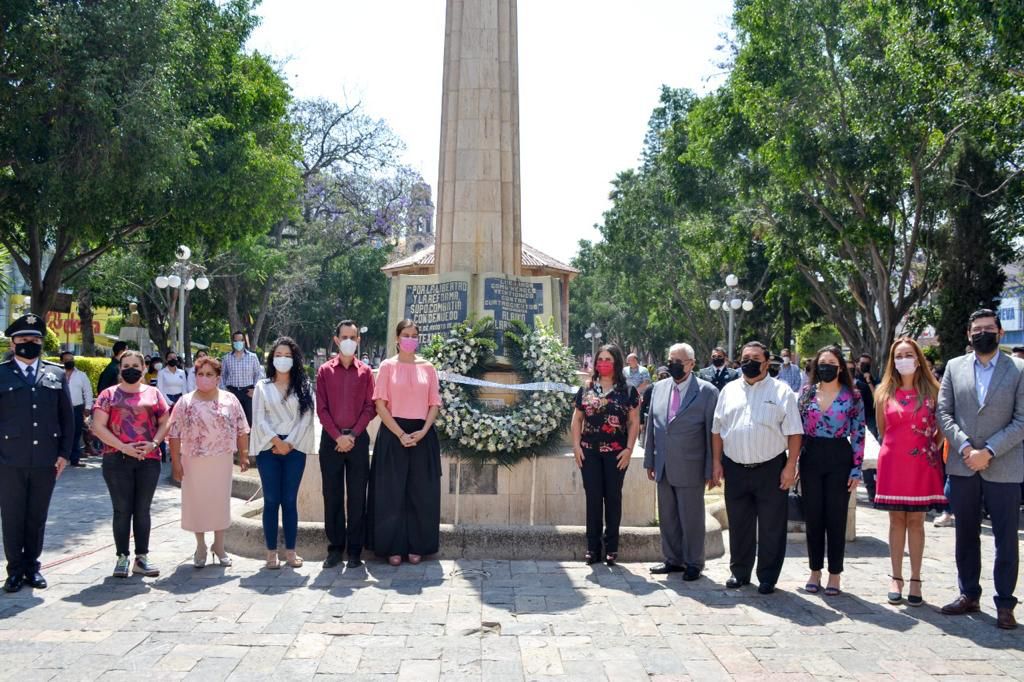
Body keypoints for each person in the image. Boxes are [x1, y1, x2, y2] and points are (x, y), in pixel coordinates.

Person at [937, 308, 1024, 630]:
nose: (982, 333)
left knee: (1006, 538)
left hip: (1004, 466)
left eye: (988, 328)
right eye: (977, 329)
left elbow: (1022, 419)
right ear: (968, 335)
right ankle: (968, 593)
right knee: (966, 535)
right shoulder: (954, 367)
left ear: (1000, 333)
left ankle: (1005, 602)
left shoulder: (1018, 369)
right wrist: (965, 448)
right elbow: (944, 413)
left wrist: (989, 451)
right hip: (963, 465)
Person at [711, 341, 802, 594]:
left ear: (766, 362)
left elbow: (795, 432)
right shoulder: (728, 390)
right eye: (744, 357)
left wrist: (791, 465)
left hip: (771, 468)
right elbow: (717, 430)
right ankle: (739, 573)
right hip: (736, 468)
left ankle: (768, 577)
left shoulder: (782, 391)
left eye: (754, 358)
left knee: (772, 526)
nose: (748, 362)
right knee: (739, 525)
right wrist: (717, 462)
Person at [0, 314, 72, 593]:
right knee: (13, 515)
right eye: (23, 339)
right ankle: (15, 570)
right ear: (13, 342)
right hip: (9, 460)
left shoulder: (55, 374)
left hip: (46, 460)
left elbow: (67, 418)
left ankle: (32, 566)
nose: (29, 343)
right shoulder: (1, 374)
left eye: (35, 339)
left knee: (37, 516)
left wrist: (65, 453)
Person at [872, 338, 945, 606]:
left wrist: (930, 448)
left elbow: (941, 429)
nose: (904, 359)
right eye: (899, 355)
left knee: (916, 521)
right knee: (895, 521)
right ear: (893, 360)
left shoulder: (933, 391)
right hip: (893, 462)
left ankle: (915, 578)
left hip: (922, 464)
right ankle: (896, 577)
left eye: (909, 354)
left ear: (918, 358)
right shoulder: (883, 392)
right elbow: (883, 429)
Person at [368, 320, 442, 566]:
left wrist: (423, 431)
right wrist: (400, 434)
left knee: (420, 492)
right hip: (393, 433)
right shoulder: (388, 366)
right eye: (406, 335)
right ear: (397, 338)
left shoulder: (428, 368)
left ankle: (418, 545)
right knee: (391, 493)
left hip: (423, 434)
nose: (410, 339)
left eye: (414, 335)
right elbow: (380, 405)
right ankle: (393, 547)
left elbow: (434, 403)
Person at [91, 350, 170, 578]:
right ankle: (122, 557)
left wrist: (154, 444)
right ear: (120, 369)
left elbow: (166, 422)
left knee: (142, 510)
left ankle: (142, 557)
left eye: (136, 365)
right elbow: (98, 427)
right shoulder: (108, 395)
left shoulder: (154, 394)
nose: (131, 369)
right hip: (116, 459)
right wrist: (123, 447)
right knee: (122, 510)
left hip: (148, 459)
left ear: (144, 368)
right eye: (126, 366)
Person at [644, 343, 717, 580]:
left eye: (679, 361)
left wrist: (711, 468)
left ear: (692, 364)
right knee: (668, 516)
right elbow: (653, 429)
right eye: (670, 359)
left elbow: (711, 434)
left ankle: (694, 562)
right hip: (663, 464)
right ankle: (672, 559)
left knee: (691, 517)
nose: (673, 364)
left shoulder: (707, 392)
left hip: (691, 466)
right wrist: (649, 460)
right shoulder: (659, 388)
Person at [168, 356, 250, 568]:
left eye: (209, 374)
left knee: (219, 502)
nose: (204, 378)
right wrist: (176, 462)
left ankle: (219, 545)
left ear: (218, 378)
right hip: (193, 460)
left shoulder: (230, 400)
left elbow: (242, 428)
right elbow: (174, 434)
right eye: (200, 374)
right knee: (197, 503)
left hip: (221, 459)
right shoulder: (185, 402)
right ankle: (201, 545)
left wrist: (244, 454)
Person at [797, 346, 865, 597]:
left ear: (840, 367)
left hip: (839, 456)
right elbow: (797, 429)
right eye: (822, 362)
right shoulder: (806, 392)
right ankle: (815, 571)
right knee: (813, 517)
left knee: (836, 518)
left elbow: (858, 432)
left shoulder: (853, 396)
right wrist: (793, 463)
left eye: (832, 363)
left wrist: (856, 469)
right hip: (811, 456)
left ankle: (835, 574)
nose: (826, 367)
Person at [572, 343, 640, 566]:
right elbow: (577, 419)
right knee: (593, 499)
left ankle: (611, 548)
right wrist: (576, 446)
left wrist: (629, 450)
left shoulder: (628, 391)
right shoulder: (587, 387)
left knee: (613, 498)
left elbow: (633, 423)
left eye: (608, 359)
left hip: (616, 454)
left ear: (617, 362)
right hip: (589, 453)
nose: (603, 363)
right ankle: (592, 548)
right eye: (599, 359)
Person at [250, 337, 315, 569]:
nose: (283, 359)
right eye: (278, 355)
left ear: (295, 359)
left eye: (288, 355)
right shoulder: (262, 387)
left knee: (289, 500)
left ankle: (290, 552)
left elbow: (306, 418)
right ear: (271, 358)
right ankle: (270, 553)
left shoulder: (304, 386)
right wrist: (276, 441)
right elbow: (258, 419)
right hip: (268, 449)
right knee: (270, 500)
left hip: (295, 450)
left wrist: (289, 443)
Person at [316, 321, 376, 569]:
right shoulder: (324, 371)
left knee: (356, 497)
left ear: (358, 340)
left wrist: (352, 435)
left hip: (358, 441)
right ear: (337, 340)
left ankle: (354, 550)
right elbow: (321, 408)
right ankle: (335, 548)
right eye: (345, 336)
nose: (349, 340)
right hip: (330, 441)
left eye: (353, 336)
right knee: (332, 496)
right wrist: (337, 436)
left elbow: (370, 407)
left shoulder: (366, 372)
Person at [220, 331, 264, 427]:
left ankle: (248, 441)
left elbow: (258, 374)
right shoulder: (226, 358)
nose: (238, 343)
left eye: (240, 340)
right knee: (232, 421)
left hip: (248, 392)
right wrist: (225, 391)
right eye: (236, 341)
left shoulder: (252, 357)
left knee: (249, 421)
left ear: (244, 341)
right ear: (232, 342)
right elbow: (222, 375)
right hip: (232, 392)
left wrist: (255, 389)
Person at [61, 350, 93, 467]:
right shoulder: (57, 374)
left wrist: (88, 407)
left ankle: (75, 459)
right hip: (60, 409)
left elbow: (88, 392)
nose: (70, 361)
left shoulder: (81, 375)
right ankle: (59, 459)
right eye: (67, 360)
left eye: (71, 359)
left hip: (77, 409)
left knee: (76, 433)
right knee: (60, 433)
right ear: (62, 361)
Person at [640, 366, 669, 431]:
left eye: (666, 375)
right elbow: (643, 405)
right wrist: (641, 422)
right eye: (661, 375)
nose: (664, 377)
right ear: (657, 375)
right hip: (651, 420)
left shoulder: (672, 388)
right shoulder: (651, 388)